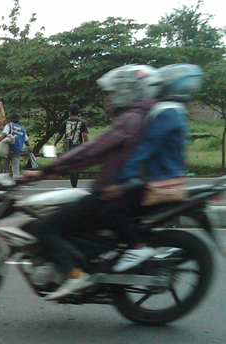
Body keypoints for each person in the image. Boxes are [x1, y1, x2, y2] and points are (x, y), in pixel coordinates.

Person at [22, 64, 162, 300]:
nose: (110, 96)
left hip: (111, 194)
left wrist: (48, 170)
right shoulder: (139, 118)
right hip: (121, 189)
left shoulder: (129, 120)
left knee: (44, 228)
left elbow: (92, 150)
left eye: (114, 91)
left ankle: (75, 276)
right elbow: (92, 150)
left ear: (128, 91)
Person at [104, 63, 202, 272]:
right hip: (163, 178)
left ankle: (136, 248)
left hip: (158, 182)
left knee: (107, 206)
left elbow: (144, 150)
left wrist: (119, 180)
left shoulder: (166, 113)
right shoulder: (174, 111)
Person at [54, 104, 89, 187]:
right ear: (78, 113)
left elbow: (60, 135)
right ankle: (75, 181)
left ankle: (73, 184)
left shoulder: (65, 122)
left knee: (70, 165)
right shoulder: (82, 123)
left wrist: (55, 143)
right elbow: (85, 136)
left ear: (69, 113)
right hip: (78, 146)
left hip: (68, 147)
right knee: (77, 164)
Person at [0, 113, 31, 178]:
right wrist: (29, 148)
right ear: (18, 120)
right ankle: (16, 181)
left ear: (11, 119)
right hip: (17, 150)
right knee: (15, 167)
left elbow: (4, 134)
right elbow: (26, 141)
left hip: (8, 149)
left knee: (6, 167)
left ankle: (6, 181)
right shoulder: (22, 129)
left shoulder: (9, 125)